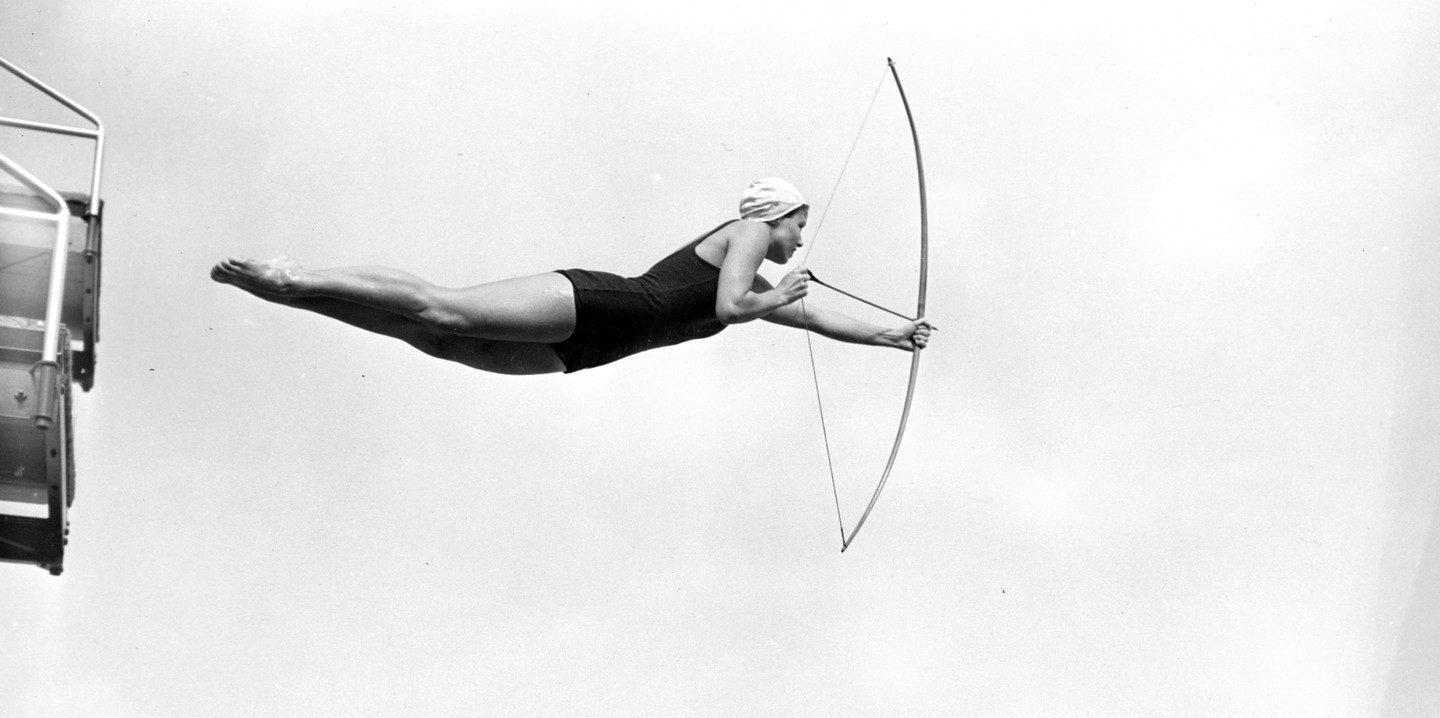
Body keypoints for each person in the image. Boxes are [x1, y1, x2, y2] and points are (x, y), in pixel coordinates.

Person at [210, 178, 933, 376]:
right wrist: (773, 297)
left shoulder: (759, 284)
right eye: (798, 224)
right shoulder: (747, 233)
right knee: (446, 311)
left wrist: (890, 333)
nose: (801, 238)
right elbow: (733, 302)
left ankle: (295, 302)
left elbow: (806, 316)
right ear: (776, 216)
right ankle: (297, 279)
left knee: (437, 343)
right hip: (598, 304)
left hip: (594, 347)